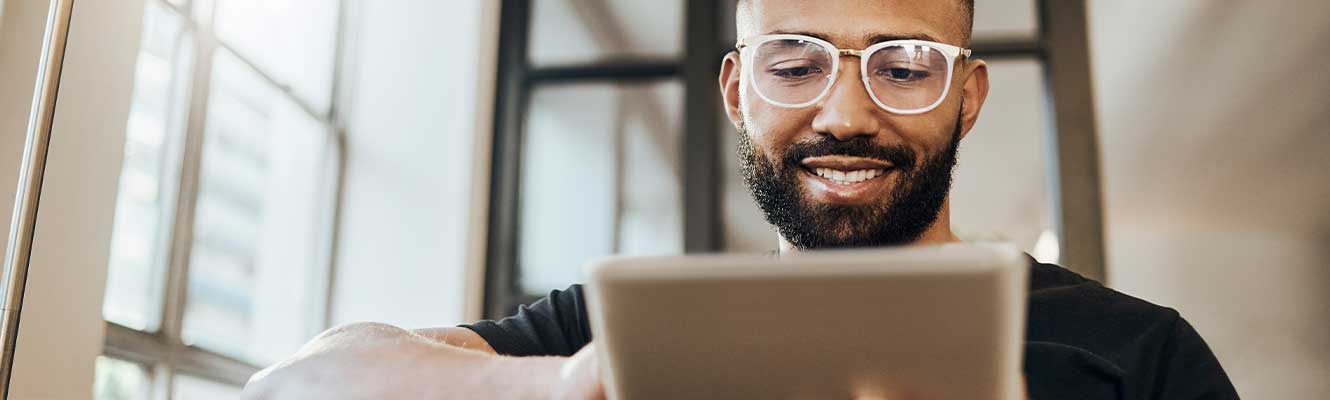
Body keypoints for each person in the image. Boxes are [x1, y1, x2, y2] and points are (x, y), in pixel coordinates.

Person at [242, 0, 1239, 398]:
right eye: (794, 64)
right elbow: (297, 386)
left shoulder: (1137, 358)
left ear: (967, 98)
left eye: (903, 67)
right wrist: (566, 387)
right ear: (735, 91)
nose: (845, 112)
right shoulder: (611, 331)